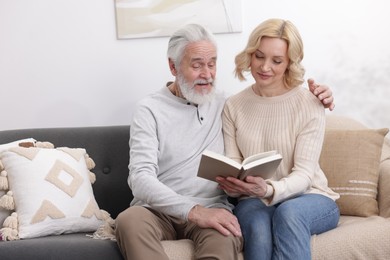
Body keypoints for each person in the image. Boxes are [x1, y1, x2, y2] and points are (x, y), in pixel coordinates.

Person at [115, 23, 335, 260]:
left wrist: (322, 94)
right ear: (173, 66)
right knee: (129, 220)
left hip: (214, 209)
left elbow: (277, 101)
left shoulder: (223, 103)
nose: (207, 74)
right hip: (156, 211)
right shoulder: (150, 109)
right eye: (197, 65)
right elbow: (140, 178)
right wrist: (193, 211)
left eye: (212, 64)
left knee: (233, 231)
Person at [216, 18, 340, 260]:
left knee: (289, 213)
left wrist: (270, 189)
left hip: (311, 197)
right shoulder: (234, 106)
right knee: (257, 226)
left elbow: (304, 175)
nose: (264, 67)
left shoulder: (309, 103)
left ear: (289, 63)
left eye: (277, 60)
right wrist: (233, 182)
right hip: (254, 198)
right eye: (259, 56)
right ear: (250, 55)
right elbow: (233, 161)